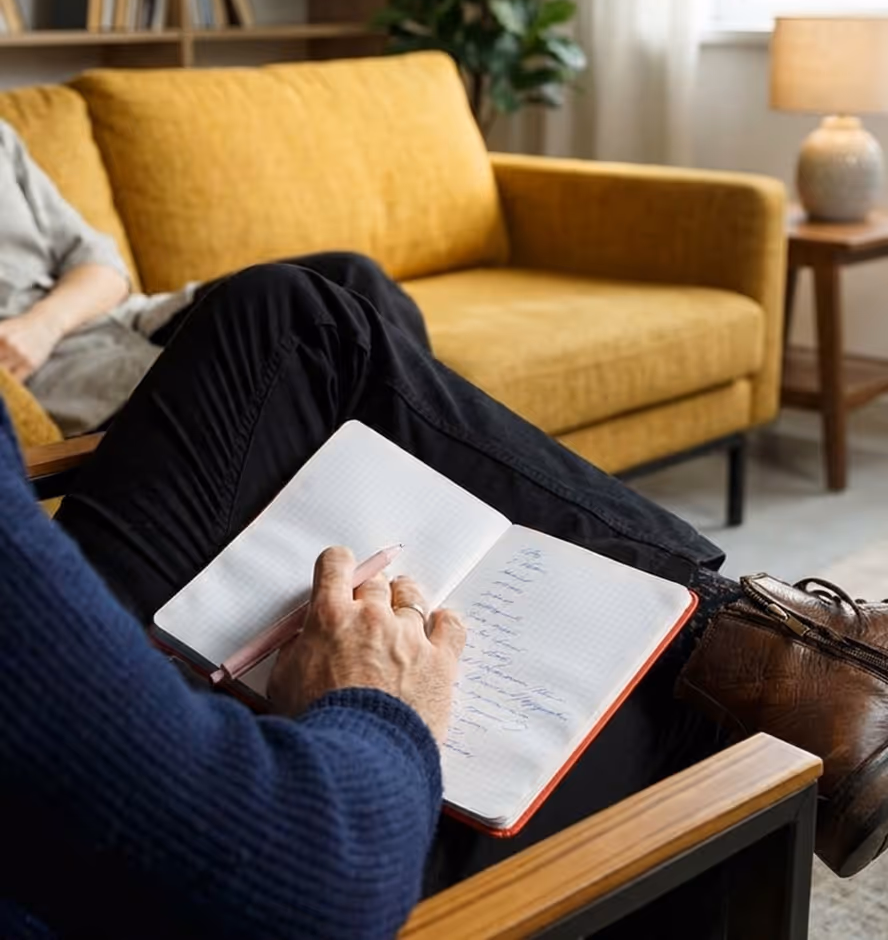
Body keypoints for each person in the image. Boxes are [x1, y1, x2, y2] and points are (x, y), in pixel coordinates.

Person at [3, 139, 888, 936]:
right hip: (236, 864)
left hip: (109, 333)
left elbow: (98, 263)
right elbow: (306, 881)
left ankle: (758, 642)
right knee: (675, 686)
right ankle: (763, 648)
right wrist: (377, 702)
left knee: (299, 307)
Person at [0, 118, 428, 437]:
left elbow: (105, 269)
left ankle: (441, 467)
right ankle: (442, 481)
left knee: (348, 277)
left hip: (135, 317)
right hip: (87, 384)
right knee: (297, 377)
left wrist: (44, 322)